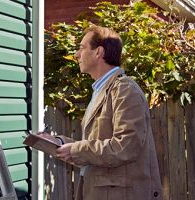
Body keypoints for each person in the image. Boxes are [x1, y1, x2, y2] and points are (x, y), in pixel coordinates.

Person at [53, 25, 163, 200]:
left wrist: (76, 150)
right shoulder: (102, 90)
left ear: (99, 52)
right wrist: (60, 143)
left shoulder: (125, 89)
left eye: (82, 48)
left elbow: (126, 146)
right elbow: (98, 143)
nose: (76, 55)